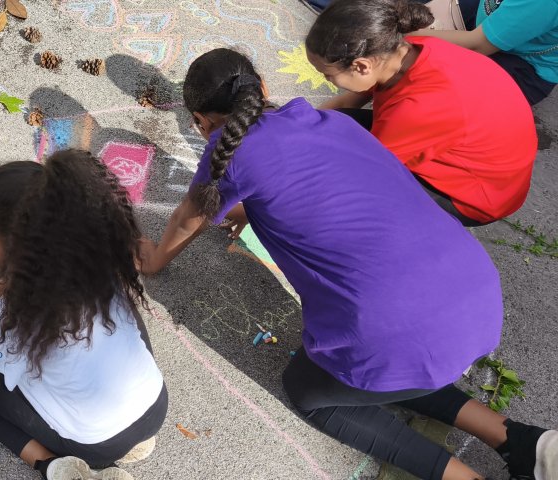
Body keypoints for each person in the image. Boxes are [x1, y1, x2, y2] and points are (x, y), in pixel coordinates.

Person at [138, 47, 556, 480]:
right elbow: (325, 193)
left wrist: (153, 259)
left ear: (201, 122)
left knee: (312, 390)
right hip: (475, 296)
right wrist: (255, 209)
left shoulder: (233, 155)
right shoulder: (335, 122)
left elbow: (188, 219)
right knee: (394, 364)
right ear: (262, 86)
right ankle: (521, 441)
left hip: (394, 333)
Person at [0, 151, 168, 480]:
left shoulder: (17, 314)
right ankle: (135, 444)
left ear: (19, 252)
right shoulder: (101, 260)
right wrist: (1, 285)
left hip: (96, 444)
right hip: (154, 405)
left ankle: (53, 465)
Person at [307, 0, 536, 227]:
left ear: (361, 66)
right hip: (473, 162)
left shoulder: (416, 109)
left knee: (342, 195)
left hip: (471, 199)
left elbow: (366, 173)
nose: (326, 79)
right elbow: (347, 102)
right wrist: (297, 127)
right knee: (331, 126)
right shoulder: (403, 50)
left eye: (327, 74)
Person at [414, 0, 558, 105]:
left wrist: (407, 35)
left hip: (523, 67)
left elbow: (476, 45)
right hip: (490, 16)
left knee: (424, 91)